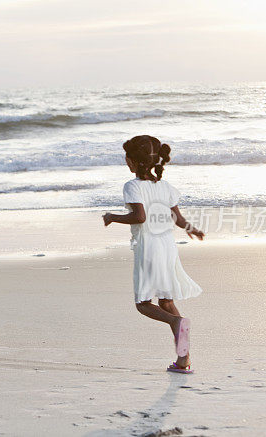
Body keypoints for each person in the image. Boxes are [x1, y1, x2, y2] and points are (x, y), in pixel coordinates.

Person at [103, 135, 204, 374]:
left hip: (148, 248)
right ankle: (183, 360)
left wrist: (112, 217)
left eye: (127, 158)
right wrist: (193, 229)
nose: (126, 162)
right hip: (167, 246)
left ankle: (176, 322)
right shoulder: (166, 187)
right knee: (166, 301)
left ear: (134, 163)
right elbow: (178, 219)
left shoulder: (132, 186)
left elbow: (139, 217)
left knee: (143, 304)